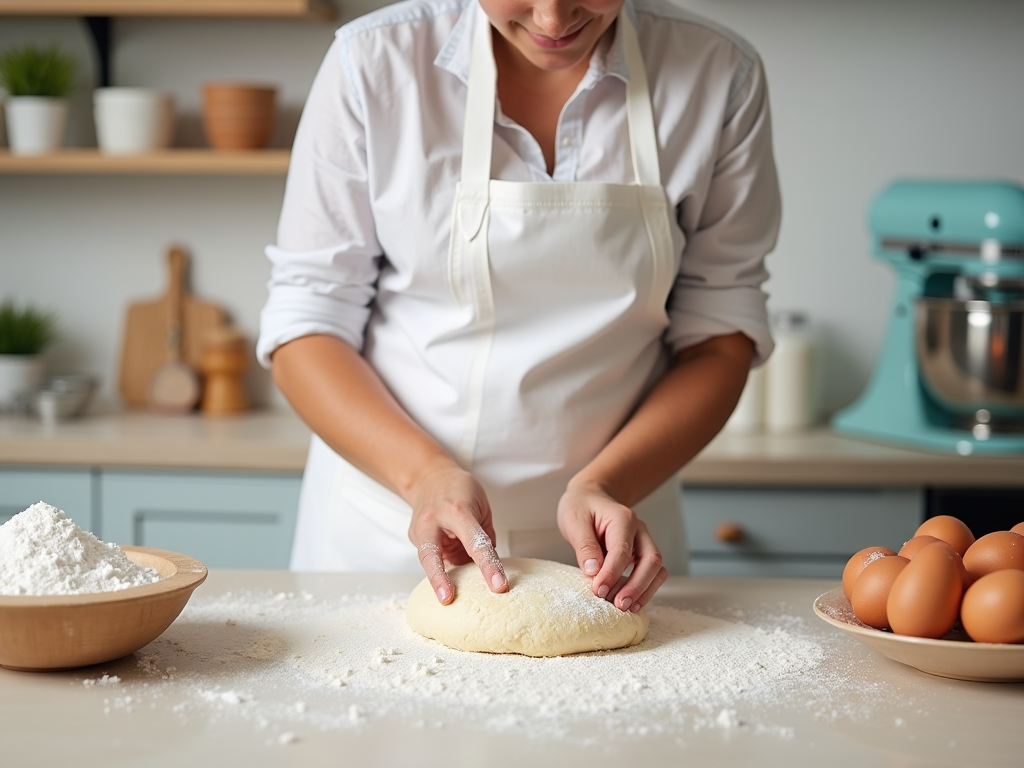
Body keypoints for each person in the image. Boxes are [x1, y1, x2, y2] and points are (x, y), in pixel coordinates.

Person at [257, 0, 780, 613]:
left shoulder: (719, 75)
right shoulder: (373, 62)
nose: (553, 20)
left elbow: (720, 336)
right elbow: (307, 325)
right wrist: (424, 476)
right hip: (390, 538)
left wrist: (606, 483)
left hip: (609, 552)